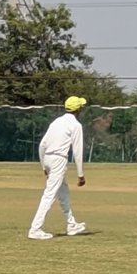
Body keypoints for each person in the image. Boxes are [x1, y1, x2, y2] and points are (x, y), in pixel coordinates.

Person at [28, 97, 89, 240]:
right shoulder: (76, 125)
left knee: (63, 192)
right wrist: (81, 175)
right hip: (58, 159)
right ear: (78, 109)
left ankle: (71, 224)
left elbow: (42, 144)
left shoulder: (57, 122)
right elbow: (77, 151)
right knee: (49, 194)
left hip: (48, 158)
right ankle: (35, 229)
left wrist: (43, 165)